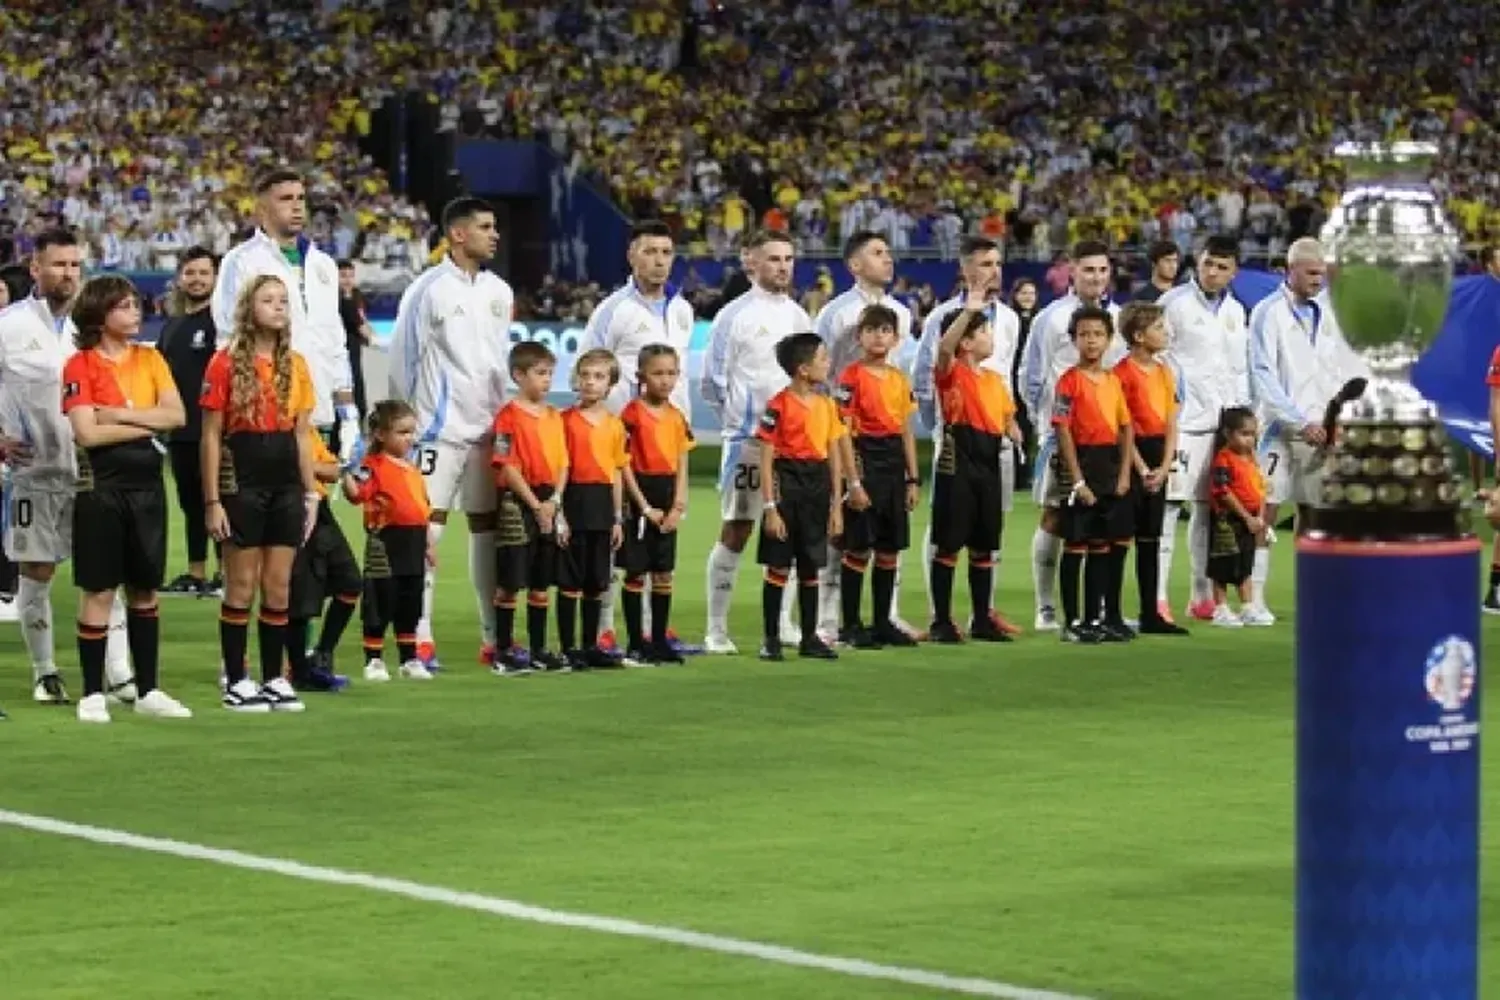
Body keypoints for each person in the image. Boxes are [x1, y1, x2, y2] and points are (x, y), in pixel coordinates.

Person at [0, 228, 133, 706]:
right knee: (36, 570)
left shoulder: (93, 328)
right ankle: (45, 671)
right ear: (34, 269)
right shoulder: (8, 325)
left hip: (96, 468)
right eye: (58, 264)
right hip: (35, 471)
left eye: (75, 265)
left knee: (104, 570)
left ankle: (119, 675)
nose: (68, 274)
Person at [388, 196, 513, 671]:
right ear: (458, 234)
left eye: (494, 225)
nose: (494, 234)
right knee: (427, 529)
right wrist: (409, 425)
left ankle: (491, 637)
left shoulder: (500, 292)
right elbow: (403, 359)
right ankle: (419, 636)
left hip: (487, 431)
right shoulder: (428, 290)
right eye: (484, 226)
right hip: (439, 431)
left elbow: (498, 362)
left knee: (487, 528)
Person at [61, 275, 191, 723]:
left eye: (136, 305)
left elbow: (176, 415)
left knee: (145, 588)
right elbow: (86, 433)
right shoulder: (80, 365)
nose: (134, 313)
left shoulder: (151, 360)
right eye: (123, 306)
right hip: (101, 488)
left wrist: (119, 413)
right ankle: (92, 692)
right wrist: (147, 423)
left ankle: (149, 688)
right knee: (98, 589)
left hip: (148, 488)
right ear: (100, 315)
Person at [201, 274, 322, 713]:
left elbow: (303, 435)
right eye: (268, 300)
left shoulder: (299, 365)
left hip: (286, 482)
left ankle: (274, 677)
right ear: (249, 308)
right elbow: (211, 435)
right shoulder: (225, 363)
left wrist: (311, 495)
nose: (278, 307)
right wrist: (212, 500)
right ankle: (236, 679)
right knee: (242, 584)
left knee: (278, 586)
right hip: (244, 480)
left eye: (283, 300)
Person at [579, 220, 694, 653]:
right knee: (618, 537)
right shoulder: (613, 311)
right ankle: (608, 627)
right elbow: (591, 365)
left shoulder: (681, 310)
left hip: (663, 447)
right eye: (650, 251)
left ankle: (653, 629)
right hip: (621, 448)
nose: (659, 260)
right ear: (632, 256)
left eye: (666, 252)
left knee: (659, 546)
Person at [699, 229, 812, 654]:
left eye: (788, 258)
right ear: (753, 263)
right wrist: (741, 423)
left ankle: (783, 622)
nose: (783, 266)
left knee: (794, 531)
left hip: (795, 446)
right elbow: (712, 381)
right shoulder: (733, 315)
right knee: (738, 528)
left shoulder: (800, 317)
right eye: (774, 259)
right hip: (748, 441)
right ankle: (716, 629)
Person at [1248, 237, 1370, 617]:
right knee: (1264, 512)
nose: (1320, 280)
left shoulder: (1333, 313)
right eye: (1312, 273)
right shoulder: (1268, 313)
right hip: (1278, 431)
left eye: (1324, 273)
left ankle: (1312, 600)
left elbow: (1347, 372)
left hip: (1323, 430)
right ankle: (1254, 600)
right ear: (1291, 270)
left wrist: (1339, 421)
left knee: (1314, 515)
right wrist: (1299, 421)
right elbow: (1262, 375)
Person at [911, 235, 1024, 636]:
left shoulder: (993, 372)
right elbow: (939, 357)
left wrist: (1012, 426)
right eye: (986, 263)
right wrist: (967, 314)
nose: (995, 271)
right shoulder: (952, 356)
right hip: (958, 449)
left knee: (984, 538)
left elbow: (1006, 397)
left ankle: (981, 617)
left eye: (998, 263)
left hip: (992, 452)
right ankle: (941, 618)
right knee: (949, 537)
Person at [212, 169, 360, 463]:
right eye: (285, 199)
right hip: (265, 417)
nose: (296, 206)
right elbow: (229, 338)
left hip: (319, 414)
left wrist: (349, 413)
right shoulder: (241, 261)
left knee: (312, 506)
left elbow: (334, 342)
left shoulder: (324, 265)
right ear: (262, 209)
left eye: (301, 199)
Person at [812, 230, 915, 643]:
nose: (887, 259)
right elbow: (821, 373)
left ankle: (883, 618)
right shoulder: (835, 315)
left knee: (887, 540)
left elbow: (903, 407)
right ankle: (833, 621)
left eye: (888, 252)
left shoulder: (899, 313)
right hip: (851, 439)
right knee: (846, 536)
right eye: (877, 253)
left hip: (889, 446)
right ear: (854, 264)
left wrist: (912, 475)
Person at [1018, 240, 1123, 631]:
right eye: (1088, 270)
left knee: (1099, 525)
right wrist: (1045, 424)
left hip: (1105, 442)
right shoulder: (1051, 318)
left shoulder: (1118, 316)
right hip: (1061, 437)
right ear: (1072, 271)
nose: (1096, 277)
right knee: (1055, 517)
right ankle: (1046, 607)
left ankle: (1094, 610)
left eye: (1102, 270)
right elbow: (1031, 375)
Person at [1158, 235, 1249, 623]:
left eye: (1222, 267)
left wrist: (1242, 422)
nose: (1213, 273)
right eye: (1208, 263)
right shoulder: (1173, 304)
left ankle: (1200, 597)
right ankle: (1158, 597)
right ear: (1198, 260)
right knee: (1168, 508)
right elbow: (1157, 359)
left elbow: (1239, 368)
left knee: (1208, 513)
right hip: (1184, 425)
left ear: (1234, 272)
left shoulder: (1236, 311)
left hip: (1222, 426)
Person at [754, 332, 844, 661]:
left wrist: (836, 505)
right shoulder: (777, 405)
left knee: (811, 565)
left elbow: (833, 454)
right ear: (803, 369)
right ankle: (771, 638)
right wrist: (770, 507)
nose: (828, 363)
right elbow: (766, 456)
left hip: (817, 486)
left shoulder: (826, 405)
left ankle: (809, 637)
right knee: (778, 565)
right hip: (787, 483)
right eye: (822, 359)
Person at [834, 305, 919, 648]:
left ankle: (883, 622)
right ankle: (851, 625)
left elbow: (906, 431)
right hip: (864, 460)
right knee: (858, 547)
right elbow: (842, 431)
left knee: (889, 547)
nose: (878, 336)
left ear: (896, 338)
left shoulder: (900, 379)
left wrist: (912, 478)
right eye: (871, 330)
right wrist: (852, 480)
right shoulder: (850, 377)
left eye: (885, 330)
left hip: (893, 466)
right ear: (860, 336)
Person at [1052, 306, 1134, 644]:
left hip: (1109, 467)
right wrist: (1077, 480)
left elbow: (1126, 428)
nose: (1091, 341)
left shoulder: (1113, 381)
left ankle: (1093, 617)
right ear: (1074, 340)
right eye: (1084, 334)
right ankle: (1071, 620)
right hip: (1082, 464)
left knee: (1101, 546)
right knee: (1076, 543)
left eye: (1098, 334)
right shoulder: (1068, 382)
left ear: (1109, 340)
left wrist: (1125, 472)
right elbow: (1062, 430)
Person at [490, 342, 567, 675]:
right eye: (539, 373)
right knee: (511, 580)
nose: (546, 380)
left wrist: (554, 501)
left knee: (541, 580)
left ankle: (539, 649)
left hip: (549, 500)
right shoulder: (508, 417)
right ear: (518, 375)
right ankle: (504, 650)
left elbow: (563, 462)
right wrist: (536, 505)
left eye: (550, 373)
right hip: (519, 502)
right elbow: (506, 465)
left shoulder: (554, 416)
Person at [1113, 303, 1190, 635]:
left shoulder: (1164, 372)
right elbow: (1122, 425)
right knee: (1119, 538)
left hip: (1159, 455)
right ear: (1139, 336)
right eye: (1159, 327)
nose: (1165, 333)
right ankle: (1110, 612)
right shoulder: (1121, 374)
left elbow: (1172, 420)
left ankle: (1150, 613)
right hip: (1132, 456)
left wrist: (1165, 464)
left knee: (1151, 538)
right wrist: (1142, 467)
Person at [344, 400, 433, 681]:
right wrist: (347, 471)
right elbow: (357, 494)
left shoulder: (413, 469)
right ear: (382, 434)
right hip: (386, 542)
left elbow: (423, 509)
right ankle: (374, 660)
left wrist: (429, 544)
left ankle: (409, 659)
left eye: (411, 432)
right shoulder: (373, 465)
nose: (408, 438)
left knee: (411, 601)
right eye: (401, 432)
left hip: (414, 542)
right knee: (381, 600)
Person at [618, 344, 693, 664]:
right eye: (657, 373)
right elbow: (623, 463)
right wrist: (642, 506)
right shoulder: (631, 416)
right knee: (636, 571)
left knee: (663, 573)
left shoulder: (677, 417)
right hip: (640, 496)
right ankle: (636, 643)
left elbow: (681, 460)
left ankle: (659, 640)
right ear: (641, 377)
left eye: (671, 373)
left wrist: (678, 504)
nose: (665, 380)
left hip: (666, 494)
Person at [156, 246, 222, 596]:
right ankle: (197, 574)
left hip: (216, 431)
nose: (196, 279)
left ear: (216, 277)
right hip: (181, 432)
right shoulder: (173, 326)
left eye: (203, 273)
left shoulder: (221, 323)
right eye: (190, 273)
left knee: (221, 501)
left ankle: (227, 575)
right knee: (191, 504)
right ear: (180, 278)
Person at [557, 348, 629, 669]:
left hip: (601, 504)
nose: (590, 382)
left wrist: (617, 517)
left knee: (596, 579)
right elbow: (559, 467)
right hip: (574, 499)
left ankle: (590, 645)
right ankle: (568, 647)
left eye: (598, 377)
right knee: (570, 577)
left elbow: (615, 471)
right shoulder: (564, 421)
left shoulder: (615, 426)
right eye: (585, 375)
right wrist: (559, 512)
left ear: (610, 384)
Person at [286, 428, 360, 690]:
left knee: (350, 582)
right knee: (301, 596)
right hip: (295, 505)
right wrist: (327, 469)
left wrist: (323, 468)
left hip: (321, 508)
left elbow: (330, 467)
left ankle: (323, 653)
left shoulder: (308, 429)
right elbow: (289, 463)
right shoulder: (283, 426)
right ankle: (298, 669)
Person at [1205, 406, 1266, 626]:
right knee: (1223, 562)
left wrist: (1259, 516)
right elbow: (1222, 491)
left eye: (1253, 434)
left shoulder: (1252, 459)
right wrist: (1245, 517)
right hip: (1227, 521)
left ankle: (1247, 606)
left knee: (1245, 564)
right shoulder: (1224, 459)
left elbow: (1261, 488)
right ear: (1228, 433)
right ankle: (1220, 608)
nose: (1250, 440)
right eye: (1244, 434)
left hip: (1250, 520)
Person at [1008, 277, 1040, 490]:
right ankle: (1012, 475)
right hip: (1010, 381)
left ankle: (1024, 474)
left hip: (1030, 382)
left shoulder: (1039, 321)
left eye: (1031, 293)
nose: (1028, 297)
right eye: (1023, 293)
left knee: (1028, 430)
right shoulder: (1009, 320)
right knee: (1011, 428)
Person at [337, 260, 372, 421]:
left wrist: (369, 334)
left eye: (351, 276)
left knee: (357, 381)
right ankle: (347, 419)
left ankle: (360, 414)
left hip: (354, 346)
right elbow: (356, 322)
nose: (348, 280)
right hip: (341, 347)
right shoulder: (337, 298)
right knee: (345, 384)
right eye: (343, 276)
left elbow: (362, 319)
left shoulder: (357, 295)